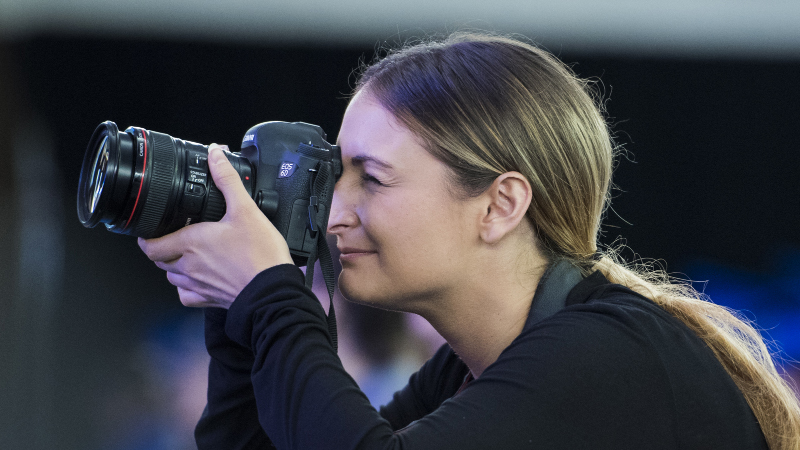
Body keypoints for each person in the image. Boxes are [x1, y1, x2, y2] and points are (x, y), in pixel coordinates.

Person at [138, 32, 800, 449]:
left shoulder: (608, 352)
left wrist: (269, 292)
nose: (335, 210)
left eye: (372, 178)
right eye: (339, 175)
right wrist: (236, 320)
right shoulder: (465, 371)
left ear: (500, 205)